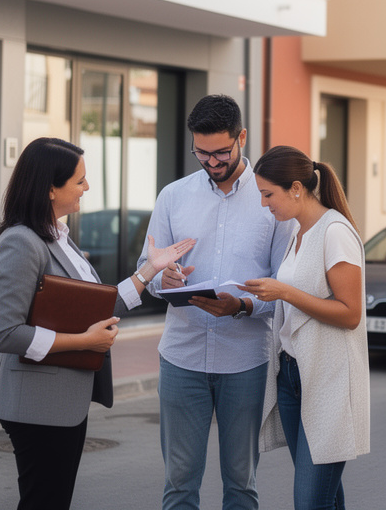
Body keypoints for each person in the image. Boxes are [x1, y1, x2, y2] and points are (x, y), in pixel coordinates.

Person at [0, 137, 194, 510]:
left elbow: (99, 306)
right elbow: (6, 333)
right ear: (50, 188)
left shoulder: (58, 238)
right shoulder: (21, 243)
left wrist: (150, 269)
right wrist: (83, 341)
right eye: (80, 180)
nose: (87, 187)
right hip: (36, 406)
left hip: (60, 405)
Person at [136, 95, 294, 510]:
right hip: (181, 357)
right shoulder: (172, 196)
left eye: (221, 151)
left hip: (245, 361)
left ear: (242, 137)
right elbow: (146, 268)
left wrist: (242, 306)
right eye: (201, 152)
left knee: (241, 484)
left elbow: (286, 286)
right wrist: (161, 277)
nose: (210, 161)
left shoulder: (271, 200)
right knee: (178, 484)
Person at [240, 146, 370, 510]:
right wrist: (247, 302)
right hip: (292, 375)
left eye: (268, 195)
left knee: (311, 501)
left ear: (296, 188)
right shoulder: (299, 232)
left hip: (328, 378)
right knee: (325, 497)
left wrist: (284, 291)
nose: (265, 204)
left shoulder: (335, 232)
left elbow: (350, 314)